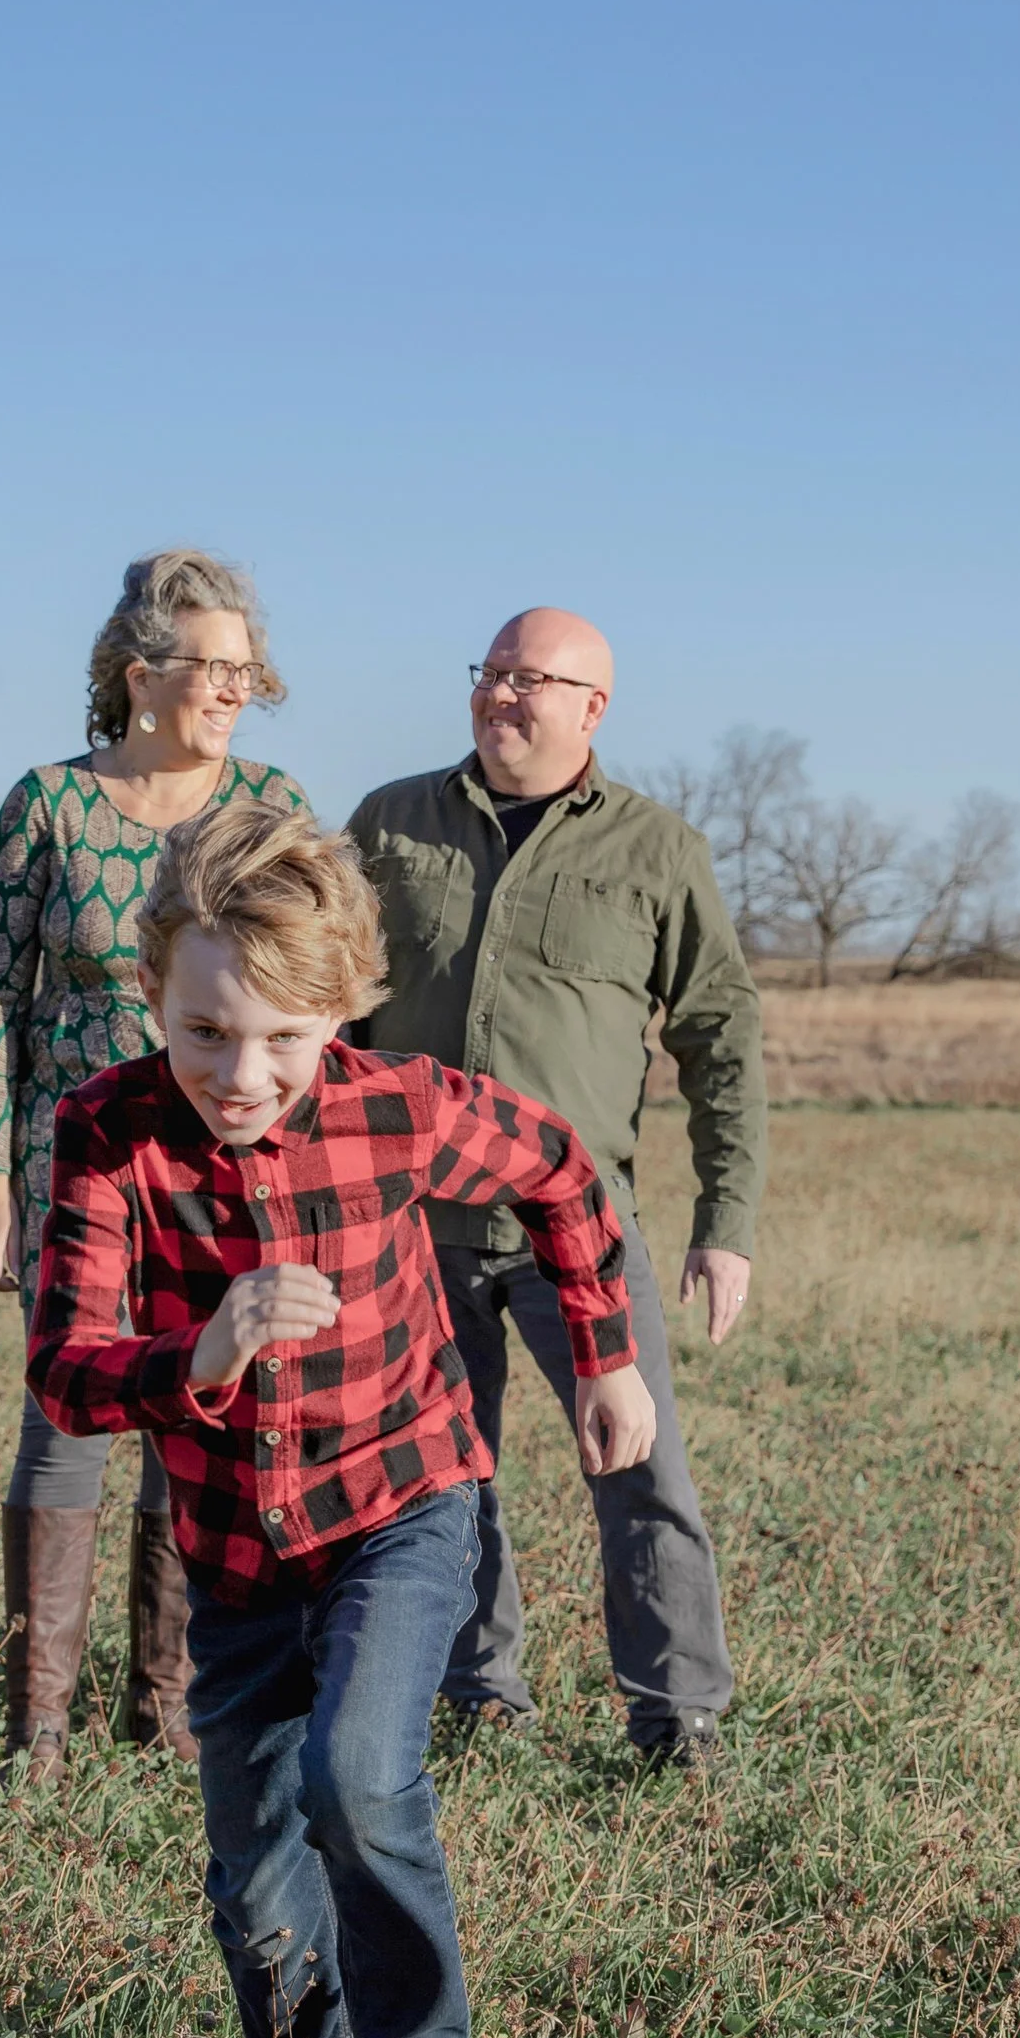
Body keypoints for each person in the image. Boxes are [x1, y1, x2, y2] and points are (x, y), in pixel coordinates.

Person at [28, 796, 650, 2038]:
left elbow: (563, 1172)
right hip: (234, 1559)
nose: (240, 1075)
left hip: (402, 1505)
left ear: (342, 1012)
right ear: (154, 990)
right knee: (254, 1886)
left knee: (358, 1776)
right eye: (203, 1033)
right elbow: (65, 1366)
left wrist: (606, 1354)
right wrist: (200, 1350)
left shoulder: (401, 1106)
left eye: (283, 1040)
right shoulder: (107, 1131)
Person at [346, 607, 764, 1767]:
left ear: (593, 707)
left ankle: (676, 1716)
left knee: (640, 1469)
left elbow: (720, 1037)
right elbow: (324, 1002)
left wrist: (724, 1222)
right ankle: (477, 1696)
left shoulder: (656, 850)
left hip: (577, 1228)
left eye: (529, 678)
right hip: (411, 1224)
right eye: (489, 672)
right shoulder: (387, 824)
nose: (499, 694)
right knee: (444, 1473)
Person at [0, 548, 308, 1779]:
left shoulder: (268, 806)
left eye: (244, 669)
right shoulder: (48, 806)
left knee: (194, 1418)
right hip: (75, 1163)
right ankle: (38, 1730)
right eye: (210, 666)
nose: (232, 689)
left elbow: (309, 984)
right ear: (138, 673)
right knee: (67, 1415)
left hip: (220, 1161)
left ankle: (165, 1710)